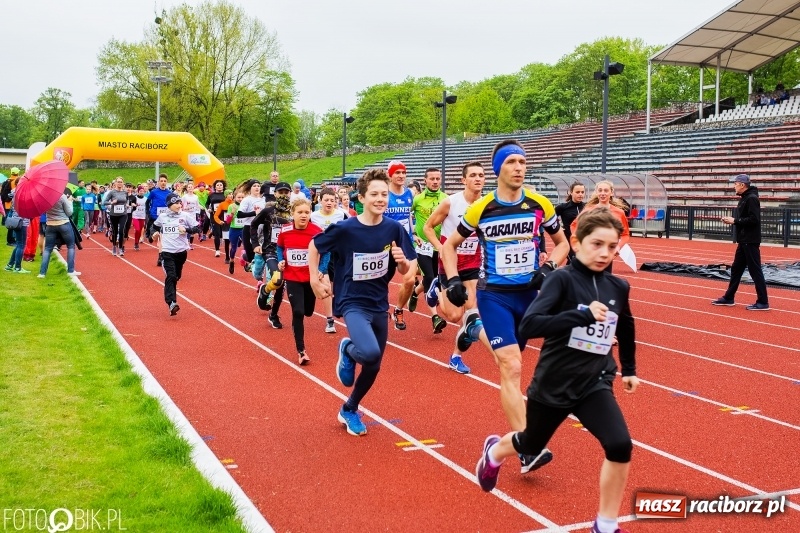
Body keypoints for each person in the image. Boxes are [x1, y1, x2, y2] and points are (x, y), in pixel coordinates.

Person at [475, 207, 638, 533]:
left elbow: (627, 325)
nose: (605, 252)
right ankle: (493, 453)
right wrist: (582, 316)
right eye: (596, 244)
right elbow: (532, 324)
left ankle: (605, 524)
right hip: (554, 382)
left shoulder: (618, 286)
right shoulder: (561, 280)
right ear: (576, 243)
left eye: (611, 245)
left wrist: (630, 368)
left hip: (594, 381)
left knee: (620, 445)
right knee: (529, 443)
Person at [441, 139, 569, 473]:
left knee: (513, 361)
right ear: (499, 169)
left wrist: (549, 268)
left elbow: (563, 244)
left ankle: (474, 328)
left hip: (530, 297)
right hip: (494, 295)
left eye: (523, 162)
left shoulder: (539, 203)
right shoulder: (481, 208)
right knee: (510, 366)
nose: (519, 168)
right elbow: (449, 246)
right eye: (512, 162)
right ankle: (527, 447)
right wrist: (454, 280)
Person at [308, 168, 416, 436]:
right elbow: (315, 245)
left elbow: (407, 270)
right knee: (369, 353)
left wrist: (403, 264)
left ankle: (349, 408)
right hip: (352, 301)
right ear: (363, 198)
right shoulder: (345, 228)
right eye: (375, 194)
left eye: (384, 194)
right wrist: (313, 277)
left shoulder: (393, 228)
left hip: (379, 301)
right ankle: (347, 349)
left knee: (374, 364)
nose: (381, 199)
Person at [424, 161, 488, 374]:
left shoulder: (488, 204)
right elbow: (428, 227)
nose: (478, 179)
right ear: (463, 180)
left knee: (471, 313)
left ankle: (455, 357)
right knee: (452, 315)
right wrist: (440, 247)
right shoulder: (450, 203)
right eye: (473, 175)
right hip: (449, 262)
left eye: (481, 175)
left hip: (472, 262)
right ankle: (435, 288)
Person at [277, 197, 324, 365]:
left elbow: (327, 252)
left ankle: (306, 309)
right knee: (297, 311)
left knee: (308, 311)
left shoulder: (317, 231)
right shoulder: (285, 230)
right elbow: (280, 247)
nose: (304, 215)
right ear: (292, 214)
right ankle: (301, 351)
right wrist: (280, 260)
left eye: (307, 212)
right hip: (292, 277)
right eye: (300, 212)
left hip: (310, 278)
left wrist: (321, 270)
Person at [712, 174, 769, 310]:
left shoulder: (751, 199)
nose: (734, 186)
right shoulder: (745, 198)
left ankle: (763, 301)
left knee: (755, 271)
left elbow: (754, 219)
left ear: (742, 185)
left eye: (735, 183)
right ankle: (729, 297)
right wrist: (733, 220)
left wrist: (735, 221)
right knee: (736, 270)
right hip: (744, 241)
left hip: (750, 241)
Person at [410, 167, 448, 333]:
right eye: (431, 179)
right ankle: (435, 318)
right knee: (430, 278)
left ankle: (415, 292)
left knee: (437, 281)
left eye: (437, 179)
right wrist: (412, 234)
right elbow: (405, 217)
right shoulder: (417, 200)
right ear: (425, 181)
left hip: (440, 246)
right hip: (422, 246)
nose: (435, 181)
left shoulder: (447, 199)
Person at [151, 192, 201, 316]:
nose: (179, 205)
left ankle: (172, 296)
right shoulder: (162, 217)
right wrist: (153, 234)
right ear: (169, 205)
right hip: (167, 252)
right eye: (176, 203)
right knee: (171, 276)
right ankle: (172, 303)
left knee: (176, 276)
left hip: (181, 252)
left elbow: (197, 228)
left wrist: (187, 230)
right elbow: (154, 227)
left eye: (180, 203)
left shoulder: (185, 216)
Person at [251, 181, 291, 329]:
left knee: (281, 286)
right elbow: (254, 224)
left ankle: (273, 314)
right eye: (281, 192)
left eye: (286, 192)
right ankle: (265, 290)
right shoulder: (268, 211)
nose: (284, 195)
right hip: (271, 251)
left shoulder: (294, 212)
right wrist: (255, 244)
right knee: (278, 279)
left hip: (289, 253)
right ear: (275, 194)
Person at [384, 160, 419, 330]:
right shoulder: (384, 195)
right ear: (389, 175)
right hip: (386, 243)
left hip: (406, 242)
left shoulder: (409, 194)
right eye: (397, 173)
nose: (401, 176)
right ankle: (380, 309)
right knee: (381, 280)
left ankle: (398, 310)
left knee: (410, 280)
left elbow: (409, 217)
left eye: (403, 173)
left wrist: (413, 233)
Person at [310, 187, 349, 333]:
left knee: (341, 285)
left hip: (339, 255)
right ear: (320, 201)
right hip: (322, 254)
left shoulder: (342, 214)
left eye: (332, 200)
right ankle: (330, 320)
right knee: (326, 285)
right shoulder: (313, 216)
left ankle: (342, 307)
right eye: (326, 200)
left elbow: (350, 231)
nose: (329, 203)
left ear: (336, 202)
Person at [571, 180, 630, 272]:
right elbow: (574, 225)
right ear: (597, 192)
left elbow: (625, 234)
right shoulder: (588, 210)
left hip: (606, 254)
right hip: (591, 253)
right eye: (600, 190)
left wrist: (617, 247)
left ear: (611, 193)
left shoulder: (619, 213)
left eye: (606, 191)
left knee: (604, 280)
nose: (602, 193)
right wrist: (580, 242)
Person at [39, 190, 80, 277]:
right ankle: (71, 270)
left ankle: (42, 273)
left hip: (50, 224)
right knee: (71, 246)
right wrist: (70, 202)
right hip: (63, 223)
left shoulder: (45, 198)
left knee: (47, 249)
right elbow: (69, 212)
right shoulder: (61, 196)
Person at [555, 181, 586, 264]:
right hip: (568, 241)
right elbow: (550, 218)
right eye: (577, 192)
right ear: (571, 192)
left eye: (582, 192)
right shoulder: (562, 207)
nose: (580, 194)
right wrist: (559, 228)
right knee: (574, 260)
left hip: (584, 241)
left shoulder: (587, 207)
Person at [145, 174, 171, 266]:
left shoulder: (169, 193)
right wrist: (148, 212)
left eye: (165, 181)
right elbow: (147, 202)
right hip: (154, 216)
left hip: (165, 219)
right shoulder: (154, 192)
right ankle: (150, 236)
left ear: (166, 182)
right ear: (159, 182)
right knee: (154, 234)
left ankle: (160, 257)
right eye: (161, 181)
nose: (163, 183)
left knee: (162, 238)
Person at [4, 192, 30, 273]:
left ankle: (10, 265)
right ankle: (17, 267)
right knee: (21, 245)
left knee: (19, 244)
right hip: (22, 222)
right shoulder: (24, 197)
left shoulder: (15, 193)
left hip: (16, 221)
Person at [103, 177, 129, 256]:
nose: (119, 183)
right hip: (113, 214)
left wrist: (126, 205)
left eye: (121, 182)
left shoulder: (125, 192)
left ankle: (120, 248)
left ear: (123, 183)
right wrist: (112, 203)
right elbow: (104, 202)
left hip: (123, 214)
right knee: (115, 232)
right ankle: (114, 246)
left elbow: (126, 200)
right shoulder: (112, 192)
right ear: (115, 183)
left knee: (121, 231)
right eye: (118, 182)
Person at [1, 167, 20, 246]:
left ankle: (12, 240)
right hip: (12, 205)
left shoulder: (7, 180)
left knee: (10, 222)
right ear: (17, 173)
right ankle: (11, 241)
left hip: (6, 204)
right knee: (12, 224)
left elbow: (3, 193)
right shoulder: (16, 181)